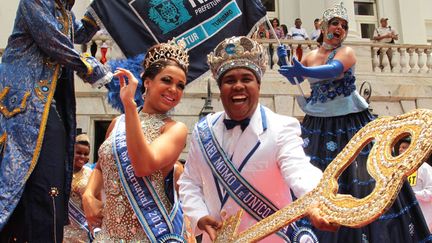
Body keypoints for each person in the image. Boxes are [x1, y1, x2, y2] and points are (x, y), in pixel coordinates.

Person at [278, 2, 431, 242]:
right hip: (318, 125)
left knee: (361, 179)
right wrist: (286, 66)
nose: (340, 28)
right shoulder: (309, 56)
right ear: (323, 27)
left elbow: (332, 70)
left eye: (344, 25)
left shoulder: (346, 52)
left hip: (349, 124)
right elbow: (297, 77)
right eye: (335, 23)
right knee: (311, 176)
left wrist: (303, 71)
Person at [179, 36, 338, 243]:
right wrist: (199, 216)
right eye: (229, 80)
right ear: (220, 89)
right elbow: (189, 182)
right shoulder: (203, 131)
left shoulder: (282, 127)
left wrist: (316, 201)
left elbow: (299, 170)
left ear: (258, 86)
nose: (238, 86)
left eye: (246, 79)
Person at [0, 0, 112, 242]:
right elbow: (53, 39)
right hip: (25, 106)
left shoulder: (65, 13)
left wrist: (102, 10)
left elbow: (77, 33)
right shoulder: (35, 2)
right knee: (22, 183)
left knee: (50, 181)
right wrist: (90, 67)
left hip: (52, 106)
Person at [82, 41, 189, 242]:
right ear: (146, 81)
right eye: (167, 80)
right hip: (108, 235)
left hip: (150, 234)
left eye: (180, 85)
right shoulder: (117, 124)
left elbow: (143, 165)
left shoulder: (175, 129)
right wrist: (88, 194)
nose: (174, 89)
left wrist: (130, 107)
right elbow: (100, 167)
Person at [396, 137, 432, 232]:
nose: (400, 149)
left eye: (404, 147)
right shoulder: (399, 170)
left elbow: (431, 191)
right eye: (399, 147)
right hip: (405, 216)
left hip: (423, 217)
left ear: (412, 149)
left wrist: (413, 195)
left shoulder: (424, 168)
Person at [64, 133, 94, 242]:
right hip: (64, 226)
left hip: (83, 226)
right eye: (79, 153)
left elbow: (97, 199)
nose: (82, 157)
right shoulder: (62, 172)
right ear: (72, 151)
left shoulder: (91, 174)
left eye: (86, 154)